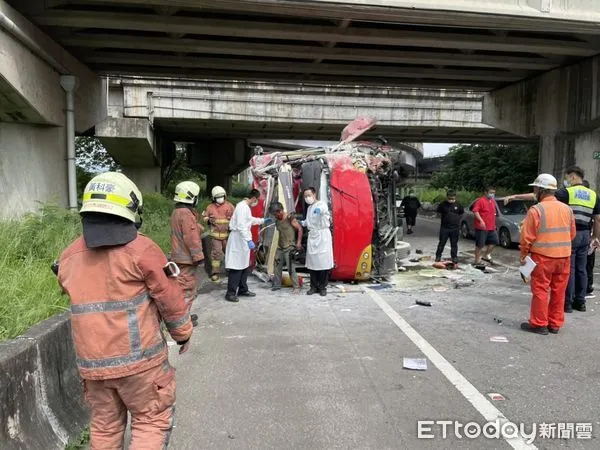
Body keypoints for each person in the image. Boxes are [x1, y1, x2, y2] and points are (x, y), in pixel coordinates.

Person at [56, 172, 193, 449]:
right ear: (130, 209)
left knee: (105, 428)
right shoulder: (142, 250)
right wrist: (183, 333)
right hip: (141, 365)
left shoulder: (68, 257)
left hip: (93, 368)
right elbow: (169, 296)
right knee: (151, 421)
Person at [506, 167, 600, 312]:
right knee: (580, 271)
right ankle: (579, 303)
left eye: (568, 177)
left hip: (560, 244)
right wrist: (595, 237)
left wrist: (516, 196)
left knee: (559, 277)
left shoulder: (565, 193)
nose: (567, 180)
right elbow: (597, 219)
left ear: (573, 177)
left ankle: (562, 308)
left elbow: (541, 198)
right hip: (583, 236)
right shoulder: (593, 195)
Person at [519, 174, 576, 334]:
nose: (534, 191)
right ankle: (554, 324)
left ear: (541, 190)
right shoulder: (567, 209)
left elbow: (527, 238)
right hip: (564, 257)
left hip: (543, 257)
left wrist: (523, 256)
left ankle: (539, 324)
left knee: (540, 290)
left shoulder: (536, 210)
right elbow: (572, 234)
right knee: (559, 291)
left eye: (535, 188)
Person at [225, 189, 272, 302]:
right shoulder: (242, 207)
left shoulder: (246, 207)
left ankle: (242, 289)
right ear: (254, 198)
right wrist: (248, 240)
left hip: (242, 240)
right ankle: (230, 293)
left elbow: (249, 220)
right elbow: (241, 226)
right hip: (238, 239)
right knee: (236, 267)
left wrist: (262, 220)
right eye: (257, 200)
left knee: (244, 267)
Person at [171, 181, 204, 327]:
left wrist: (197, 226)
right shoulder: (186, 214)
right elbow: (191, 238)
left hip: (179, 256)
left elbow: (186, 230)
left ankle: (183, 316)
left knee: (181, 288)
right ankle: (182, 320)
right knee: (187, 290)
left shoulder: (177, 212)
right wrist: (198, 257)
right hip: (186, 259)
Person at [302, 187, 334, 296]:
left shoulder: (322, 204)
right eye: (305, 196)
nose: (307, 198)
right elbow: (308, 221)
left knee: (323, 263)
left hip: (322, 236)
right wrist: (302, 223)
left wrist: (319, 211)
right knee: (312, 264)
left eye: (309, 195)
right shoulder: (310, 208)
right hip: (313, 236)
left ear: (314, 194)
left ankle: (322, 287)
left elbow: (323, 210)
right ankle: (313, 286)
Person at [203, 185, 235, 282]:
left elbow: (235, 218)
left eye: (221, 196)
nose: (220, 199)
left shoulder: (230, 206)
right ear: (214, 198)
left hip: (228, 236)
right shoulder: (210, 207)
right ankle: (215, 273)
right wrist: (208, 220)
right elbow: (204, 217)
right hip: (215, 236)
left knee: (230, 254)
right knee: (216, 255)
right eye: (218, 197)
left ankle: (231, 270)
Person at [270, 202, 303, 293]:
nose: (274, 216)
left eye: (275, 214)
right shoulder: (277, 220)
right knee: (276, 265)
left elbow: (299, 229)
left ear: (280, 211)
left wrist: (298, 242)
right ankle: (277, 284)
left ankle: (296, 287)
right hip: (280, 246)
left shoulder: (289, 218)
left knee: (290, 267)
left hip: (289, 246)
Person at [435, 189, 464, 264]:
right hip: (445, 228)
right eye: (449, 198)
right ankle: (438, 256)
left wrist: (456, 220)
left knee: (454, 244)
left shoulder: (458, 205)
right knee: (442, 243)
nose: (451, 200)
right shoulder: (442, 204)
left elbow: (461, 214)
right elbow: (438, 213)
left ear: (455, 197)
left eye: (452, 198)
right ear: (447, 197)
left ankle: (454, 257)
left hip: (455, 228)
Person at [472, 186, 499, 265]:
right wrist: (481, 220)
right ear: (486, 192)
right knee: (480, 245)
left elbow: (493, 214)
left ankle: (486, 254)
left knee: (495, 241)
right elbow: (475, 211)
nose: (492, 194)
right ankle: (477, 261)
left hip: (491, 227)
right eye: (491, 193)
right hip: (481, 228)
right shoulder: (480, 201)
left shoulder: (492, 201)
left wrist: (494, 224)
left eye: (494, 193)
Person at [582, 180, 596, 299]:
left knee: (584, 266)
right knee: (587, 265)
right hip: (590, 238)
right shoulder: (592, 201)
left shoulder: (591, 201)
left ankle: (587, 288)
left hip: (588, 238)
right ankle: (587, 288)